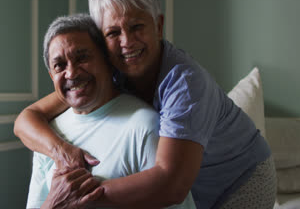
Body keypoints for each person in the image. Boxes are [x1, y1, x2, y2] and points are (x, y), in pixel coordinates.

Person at [15, 0, 277, 209]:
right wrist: (62, 150)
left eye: (136, 27)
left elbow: (171, 185)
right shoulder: (108, 72)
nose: (126, 42)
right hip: (194, 182)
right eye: (113, 33)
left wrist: (76, 197)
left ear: (158, 26)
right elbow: (27, 119)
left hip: (242, 178)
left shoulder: (185, 84)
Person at [25, 14, 195, 209]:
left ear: (107, 61)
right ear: (51, 75)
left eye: (82, 58)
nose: (71, 73)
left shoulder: (145, 127)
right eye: (60, 66)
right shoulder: (48, 134)